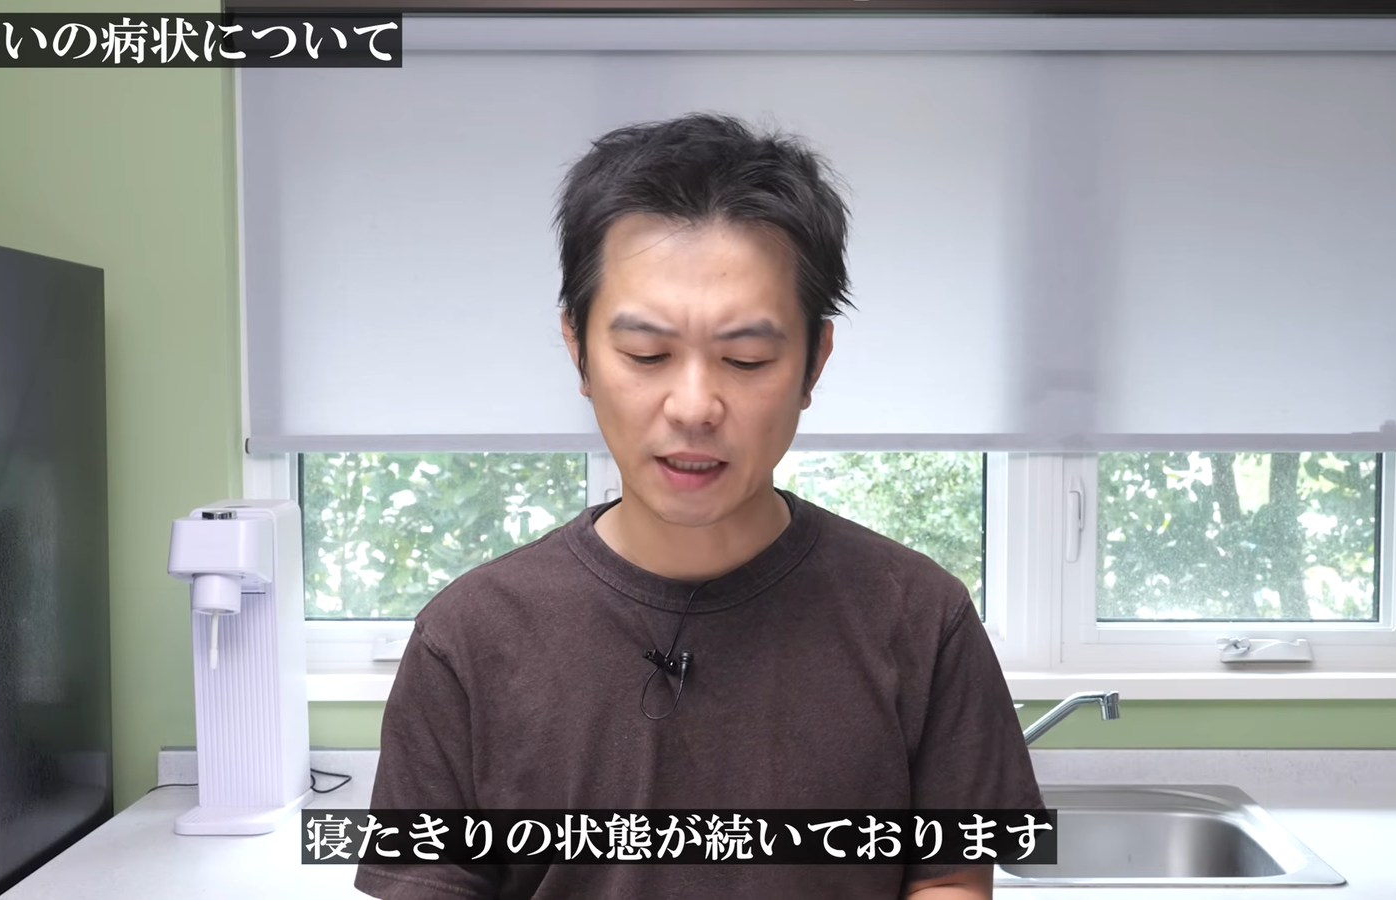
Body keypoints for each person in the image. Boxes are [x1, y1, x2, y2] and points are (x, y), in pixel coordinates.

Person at [356, 112, 1042, 900]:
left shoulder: (920, 618)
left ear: (815, 362)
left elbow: (950, 879)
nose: (693, 406)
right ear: (578, 350)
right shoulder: (468, 638)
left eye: (745, 358)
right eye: (646, 354)